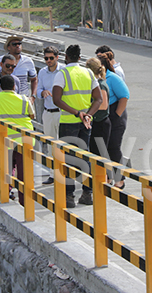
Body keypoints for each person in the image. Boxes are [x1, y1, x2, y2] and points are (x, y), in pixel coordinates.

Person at [52, 44, 102, 208]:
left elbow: (56, 100)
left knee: (67, 159)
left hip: (68, 122)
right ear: (79, 58)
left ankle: (69, 196)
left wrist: (75, 113)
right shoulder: (88, 72)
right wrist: (88, 114)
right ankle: (87, 193)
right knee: (84, 156)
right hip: (86, 123)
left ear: (66, 57)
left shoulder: (63, 73)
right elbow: (98, 99)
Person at [0, 76, 35, 204]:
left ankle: (6, 193)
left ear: (0, 85)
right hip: (25, 140)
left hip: (6, 139)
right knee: (24, 173)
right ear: (14, 87)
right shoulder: (24, 99)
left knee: (7, 168)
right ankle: (25, 202)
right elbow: (32, 115)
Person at [97, 54, 129, 189]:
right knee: (103, 148)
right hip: (104, 117)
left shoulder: (113, 77)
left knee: (113, 147)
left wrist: (116, 115)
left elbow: (124, 96)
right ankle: (108, 176)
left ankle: (119, 179)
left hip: (116, 116)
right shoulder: (98, 79)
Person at [36, 46, 64, 185]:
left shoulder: (64, 70)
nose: (48, 61)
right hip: (48, 112)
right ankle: (53, 174)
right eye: (46, 58)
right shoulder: (42, 72)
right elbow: (37, 90)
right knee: (50, 144)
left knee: (63, 144)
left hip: (61, 112)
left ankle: (64, 173)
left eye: (51, 58)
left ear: (57, 57)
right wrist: (43, 93)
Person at [0, 35, 38, 101]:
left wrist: (33, 97)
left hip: (23, 100)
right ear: (8, 47)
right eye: (14, 44)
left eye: (19, 43)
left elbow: (34, 79)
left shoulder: (28, 61)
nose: (17, 46)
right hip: (4, 99)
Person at [85, 58, 111, 162]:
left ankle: (106, 177)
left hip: (101, 123)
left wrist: (87, 105)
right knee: (94, 153)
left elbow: (103, 105)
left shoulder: (100, 85)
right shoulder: (95, 83)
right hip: (96, 122)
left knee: (99, 155)